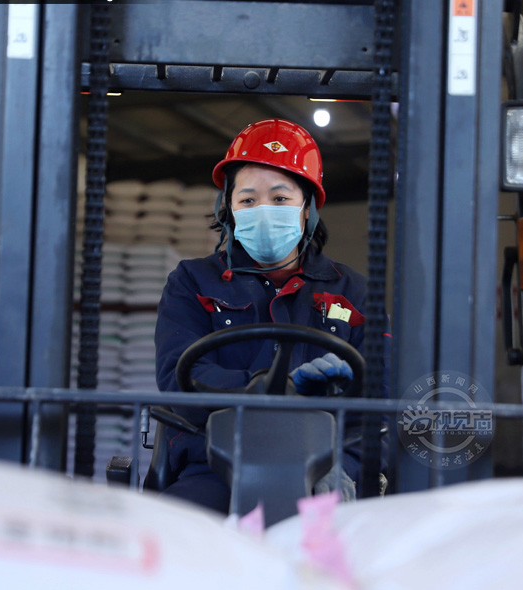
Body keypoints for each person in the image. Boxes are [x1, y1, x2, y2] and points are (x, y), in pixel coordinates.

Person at [154, 118, 388, 514]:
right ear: (227, 208)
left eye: (280, 199)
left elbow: (383, 396)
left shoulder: (354, 292)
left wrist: (343, 468)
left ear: (308, 208)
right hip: (214, 465)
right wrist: (272, 387)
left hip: (330, 467)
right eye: (248, 200)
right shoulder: (192, 281)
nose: (263, 211)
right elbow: (179, 376)